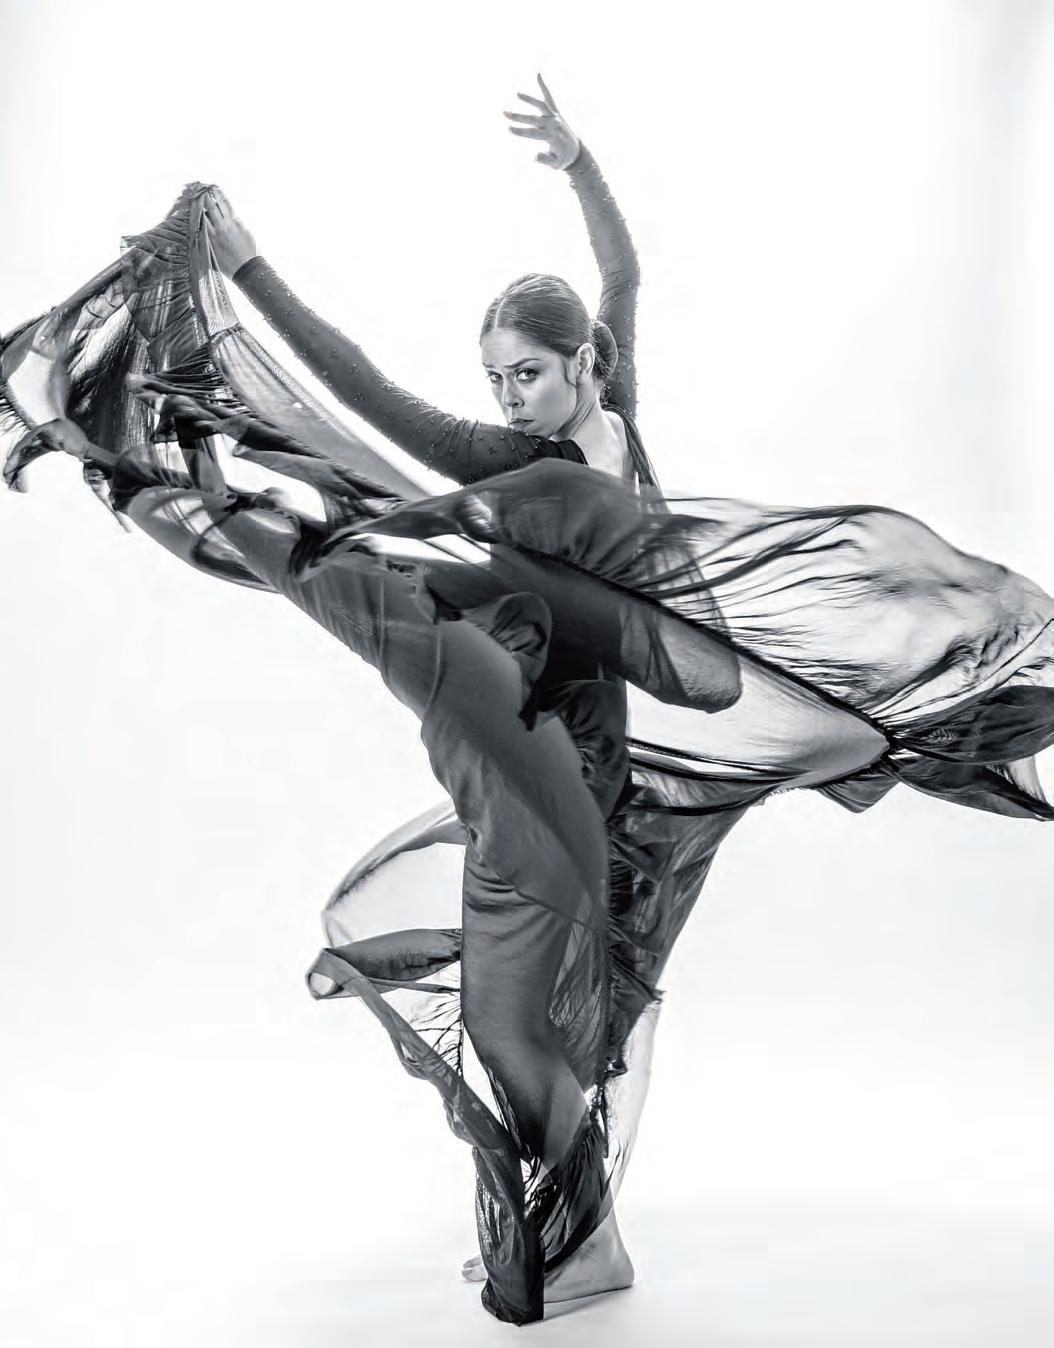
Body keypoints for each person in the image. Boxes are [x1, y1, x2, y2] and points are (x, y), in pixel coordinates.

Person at [3, 81, 1051, 1324]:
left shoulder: (598, 431)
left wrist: (576, 162)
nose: (508, 399)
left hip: (586, 749)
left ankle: (581, 1234)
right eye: (495, 378)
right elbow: (382, 391)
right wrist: (263, 269)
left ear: (590, 364)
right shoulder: (525, 454)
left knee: (530, 1008)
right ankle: (576, 1231)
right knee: (529, 987)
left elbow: (618, 274)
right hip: (542, 721)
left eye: (530, 375)